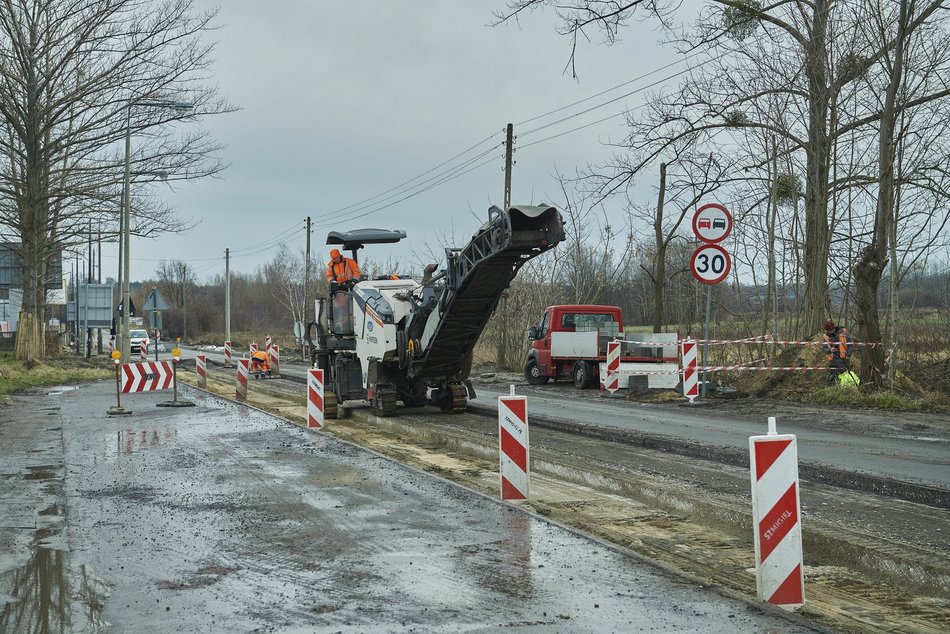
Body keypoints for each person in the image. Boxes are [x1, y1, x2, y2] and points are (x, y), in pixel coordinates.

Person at [821, 319, 853, 386]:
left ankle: (846, 388)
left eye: (829, 331)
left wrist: (848, 354)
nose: (828, 332)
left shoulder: (843, 333)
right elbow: (824, 348)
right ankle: (832, 389)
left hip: (844, 359)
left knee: (845, 375)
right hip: (833, 360)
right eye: (827, 331)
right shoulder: (826, 336)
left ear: (833, 329)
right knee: (832, 377)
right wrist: (830, 350)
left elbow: (850, 345)